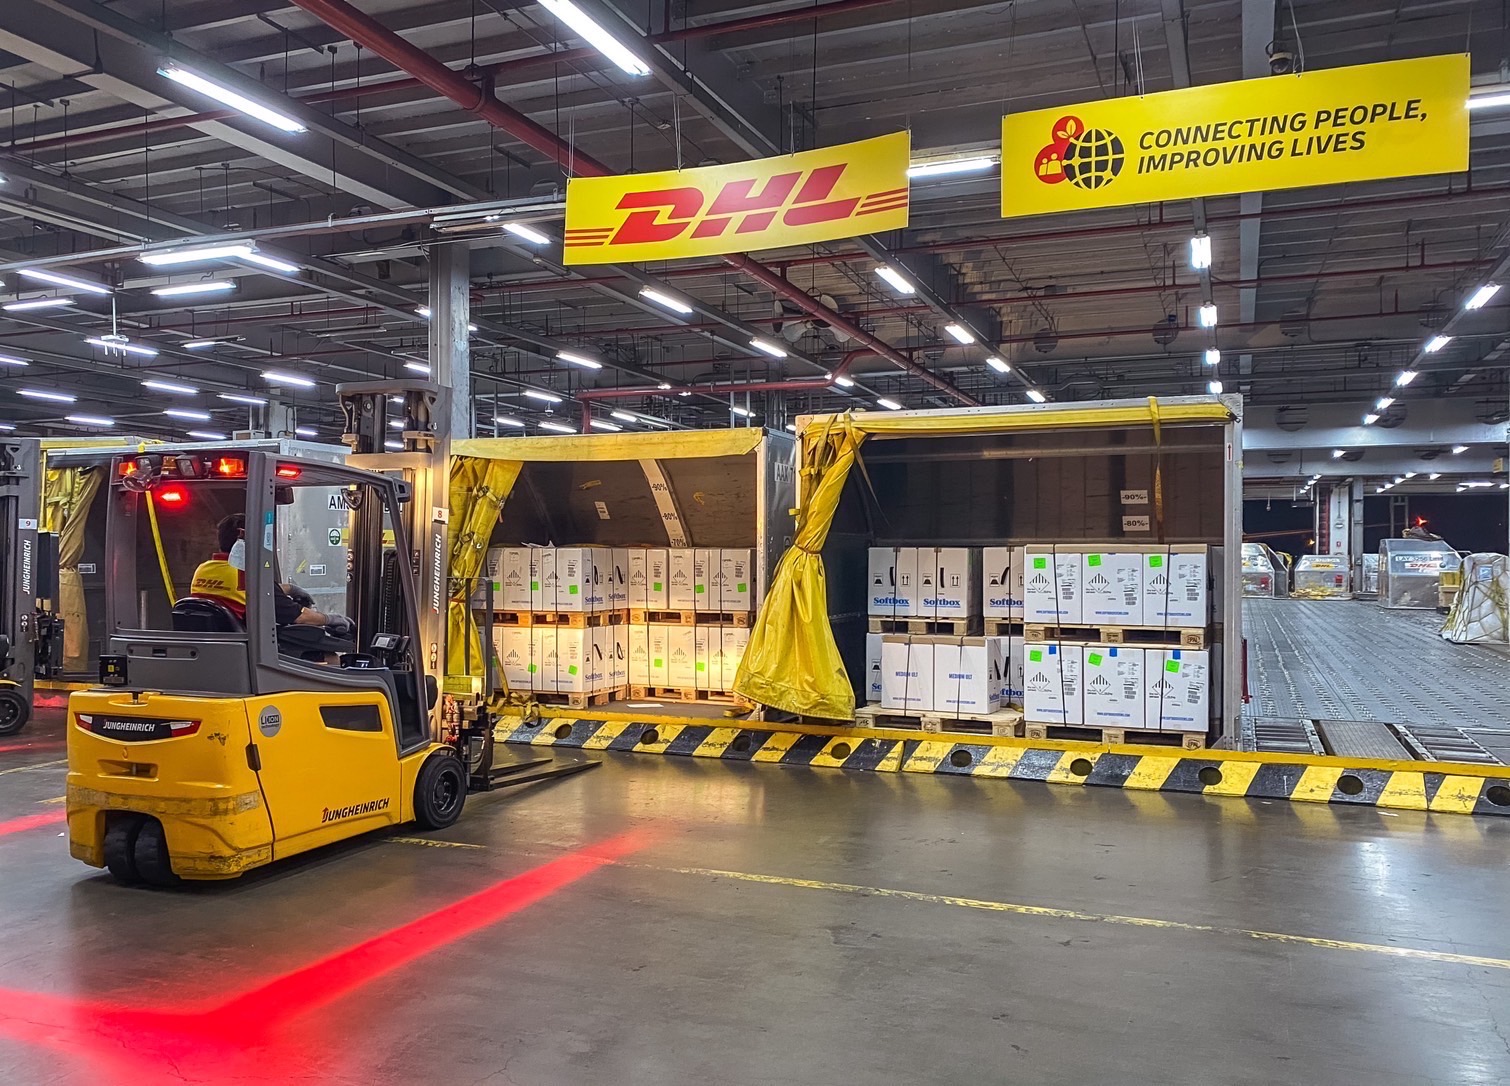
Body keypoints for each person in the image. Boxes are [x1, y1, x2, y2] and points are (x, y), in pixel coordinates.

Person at [189, 514, 350, 633]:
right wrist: (330, 619)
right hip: (249, 649)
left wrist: (289, 588)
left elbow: (237, 591)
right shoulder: (246, 576)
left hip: (220, 645)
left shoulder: (203, 569)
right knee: (328, 656)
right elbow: (300, 617)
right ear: (243, 535)